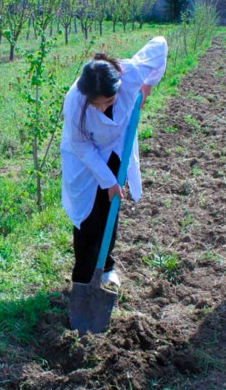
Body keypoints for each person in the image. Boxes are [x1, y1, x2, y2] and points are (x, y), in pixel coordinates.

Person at [60, 37, 168, 288]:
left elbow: (160, 45)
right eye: (94, 104)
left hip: (115, 149)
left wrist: (148, 84)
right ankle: (83, 279)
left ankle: (107, 267)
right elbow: (81, 146)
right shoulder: (74, 100)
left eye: (108, 102)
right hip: (83, 157)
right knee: (88, 217)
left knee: (110, 208)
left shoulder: (131, 73)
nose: (100, 108)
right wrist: (108, 181)